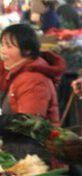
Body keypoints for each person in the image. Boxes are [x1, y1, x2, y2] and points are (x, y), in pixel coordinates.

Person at [0, 24, 66, 161]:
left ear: (27, 51)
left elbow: (29, 122)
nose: (2, 50)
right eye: (2, 44)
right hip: (21, 151)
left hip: (35, 157)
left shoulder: (33, 79)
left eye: (9, 46)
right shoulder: (17, 73)